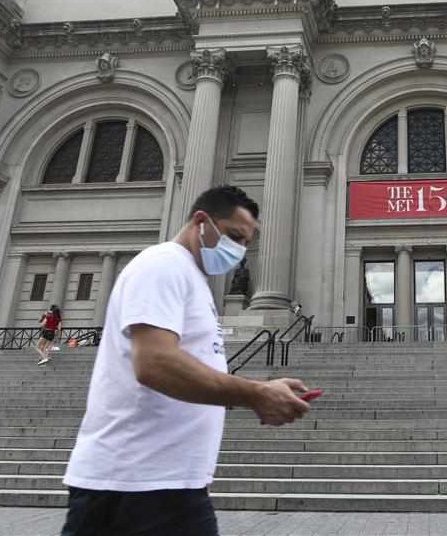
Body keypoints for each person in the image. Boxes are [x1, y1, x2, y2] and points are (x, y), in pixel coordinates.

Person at [61, 186, 313, 536]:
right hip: (129, 486)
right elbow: (154, 362)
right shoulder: (162, 265)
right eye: (234, 237)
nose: (239, 252)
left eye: (245, 244)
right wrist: (254, 393)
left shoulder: (193, 280)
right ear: (201, 222)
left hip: (167, 484)